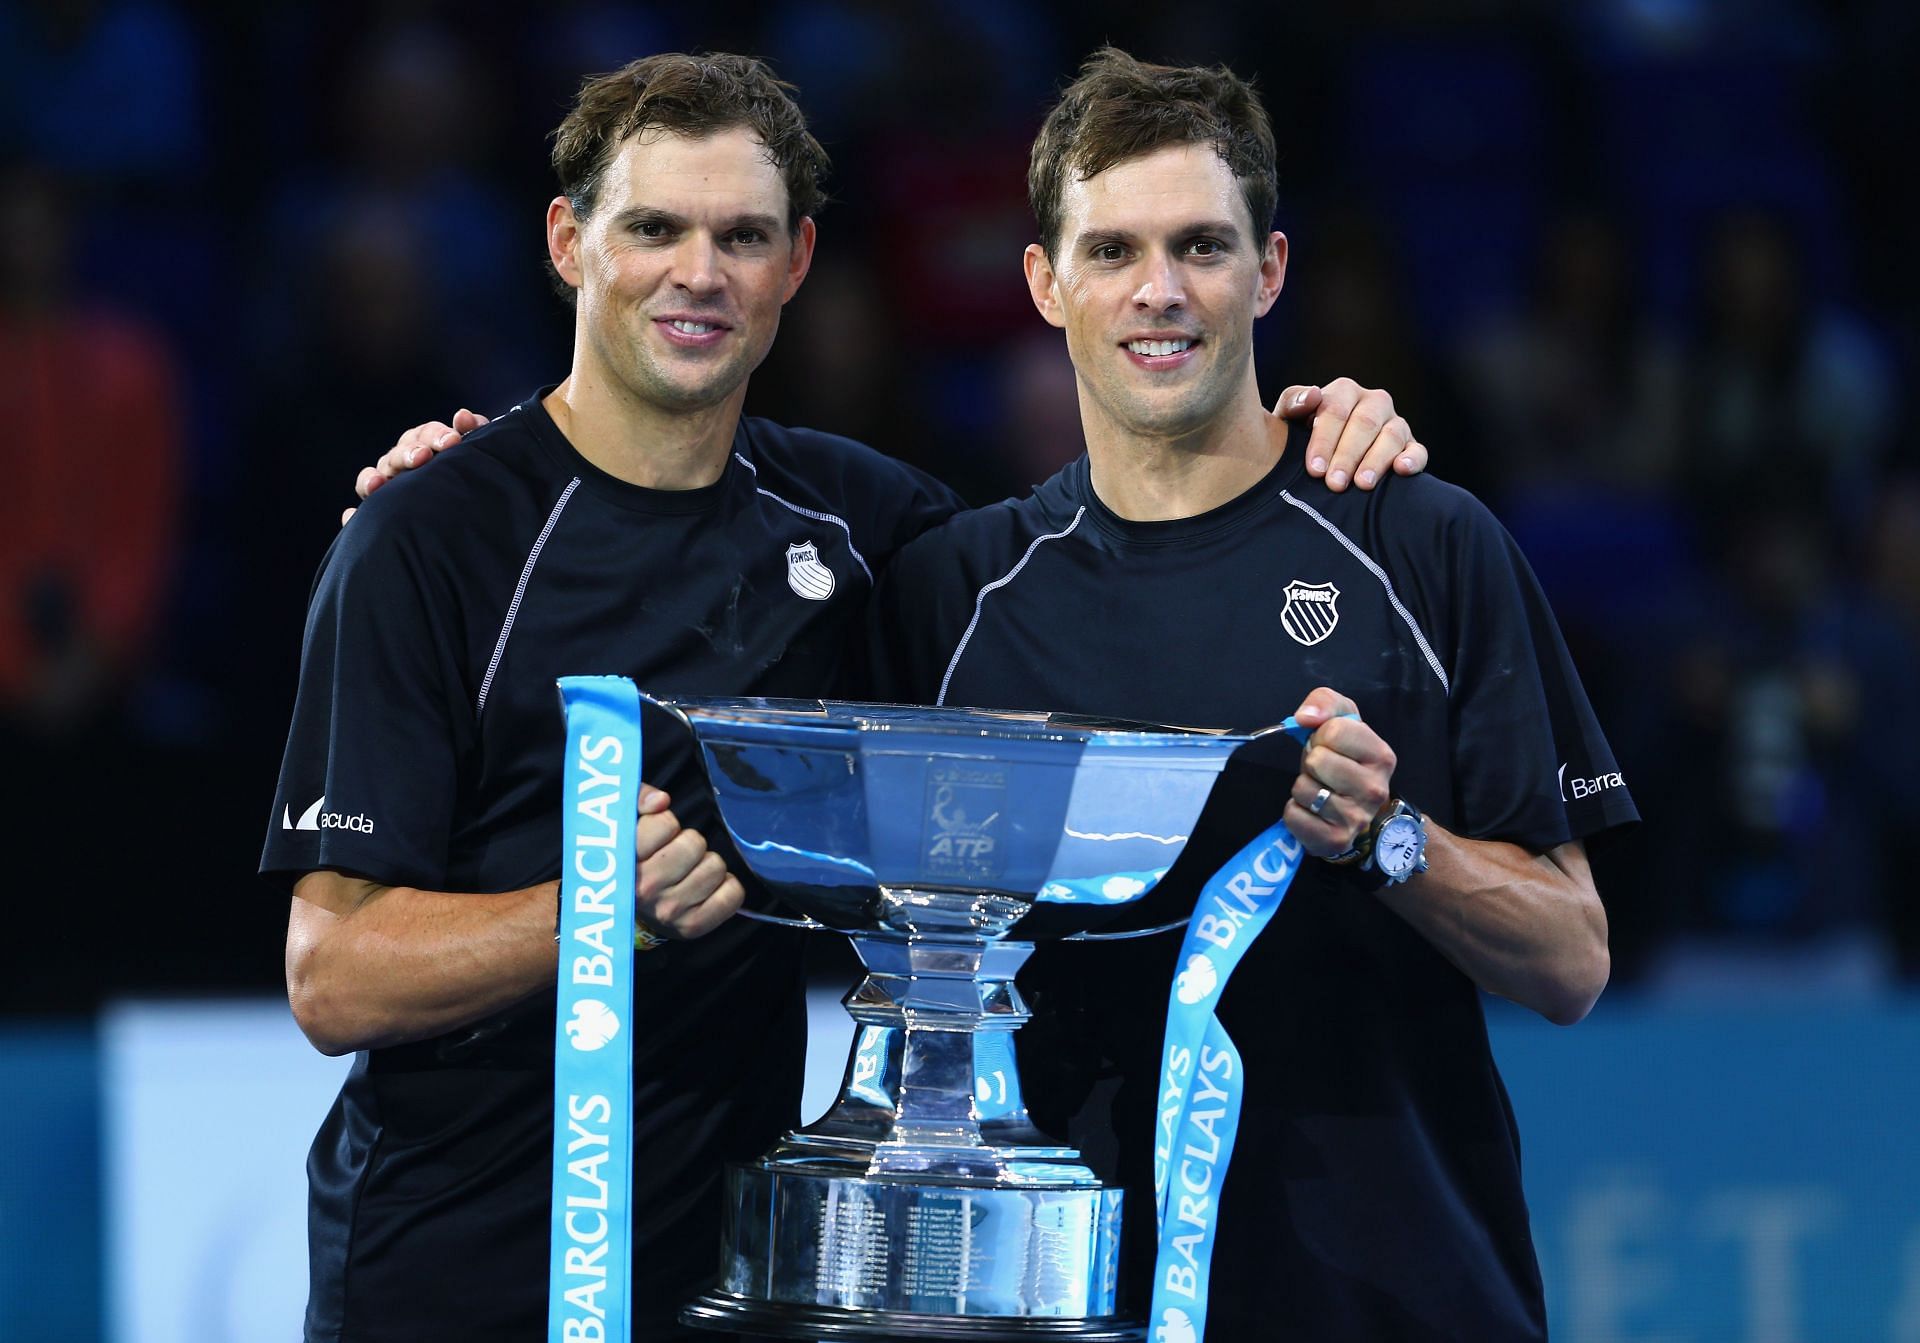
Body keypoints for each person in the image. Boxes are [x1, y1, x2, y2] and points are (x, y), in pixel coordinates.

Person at [273, 51, 1426, 1343]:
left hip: (745, 1273)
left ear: (799, 263)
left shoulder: (869, 526)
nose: (697, 273)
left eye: (742, 236)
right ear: (567, 242)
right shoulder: (427, 540)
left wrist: (1313, 428)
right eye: (653, 228)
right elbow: (332, 977)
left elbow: (1101, 558)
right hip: (453, 1275)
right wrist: (600, 913)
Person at [867, 50, 1635, 1340]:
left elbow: (1573, 961)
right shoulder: (954, 593)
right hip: (1066, 1303)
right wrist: (460, 470)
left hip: (1399, 1300)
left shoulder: (1421, 544)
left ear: (1270, 271)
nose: (1159, 292)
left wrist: (1394, 840)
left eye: (1202, 247)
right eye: (1111, 251)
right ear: (1044, 283)